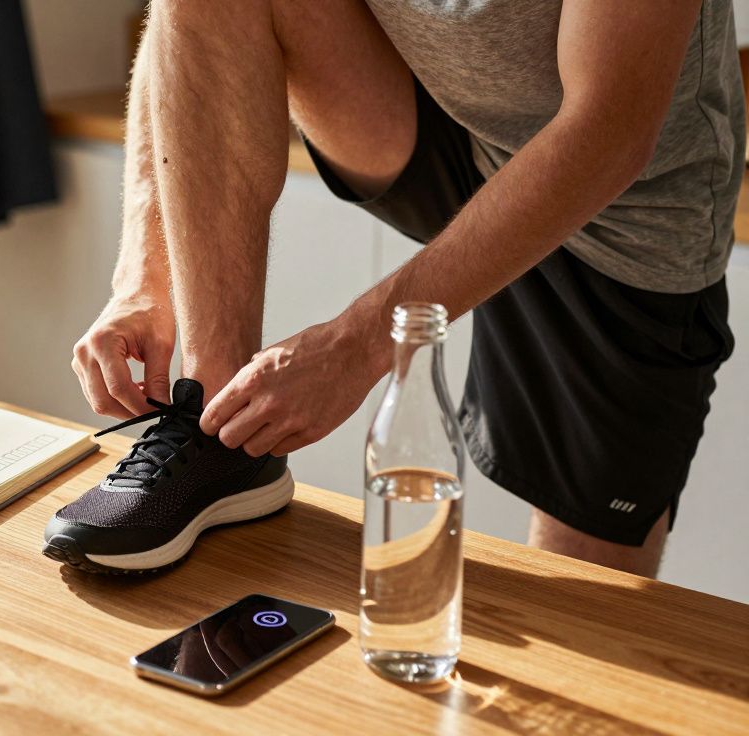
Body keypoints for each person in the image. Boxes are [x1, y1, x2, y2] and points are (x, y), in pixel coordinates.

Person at [43, 0, 741, 578]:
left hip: (624, 222)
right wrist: (145, 270)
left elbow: (610, 130)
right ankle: (217, 431)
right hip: (442, 125)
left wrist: (353, 346)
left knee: (585, 618)